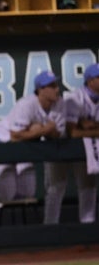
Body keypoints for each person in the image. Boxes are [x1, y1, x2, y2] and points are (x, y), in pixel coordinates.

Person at [0, 70, 65, 204]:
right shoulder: (27, 104)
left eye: (56, 85)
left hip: (24, 147)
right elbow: (15, 136)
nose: (57, 89)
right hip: (1, 144)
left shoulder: (59, 103)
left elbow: (57, 134)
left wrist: (42, 130)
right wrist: (43, 130)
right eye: (52, 86)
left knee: (27, 194)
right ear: (40, 90)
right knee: (7, 197)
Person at [46, 63, 99, 224]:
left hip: (84, 148)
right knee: (56, 187)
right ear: (90, 81)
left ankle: (87, 227)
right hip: (60, 145)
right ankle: (50, 228)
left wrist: (87, 126)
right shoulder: (74, 98)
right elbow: (73, 132)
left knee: (88, 186)